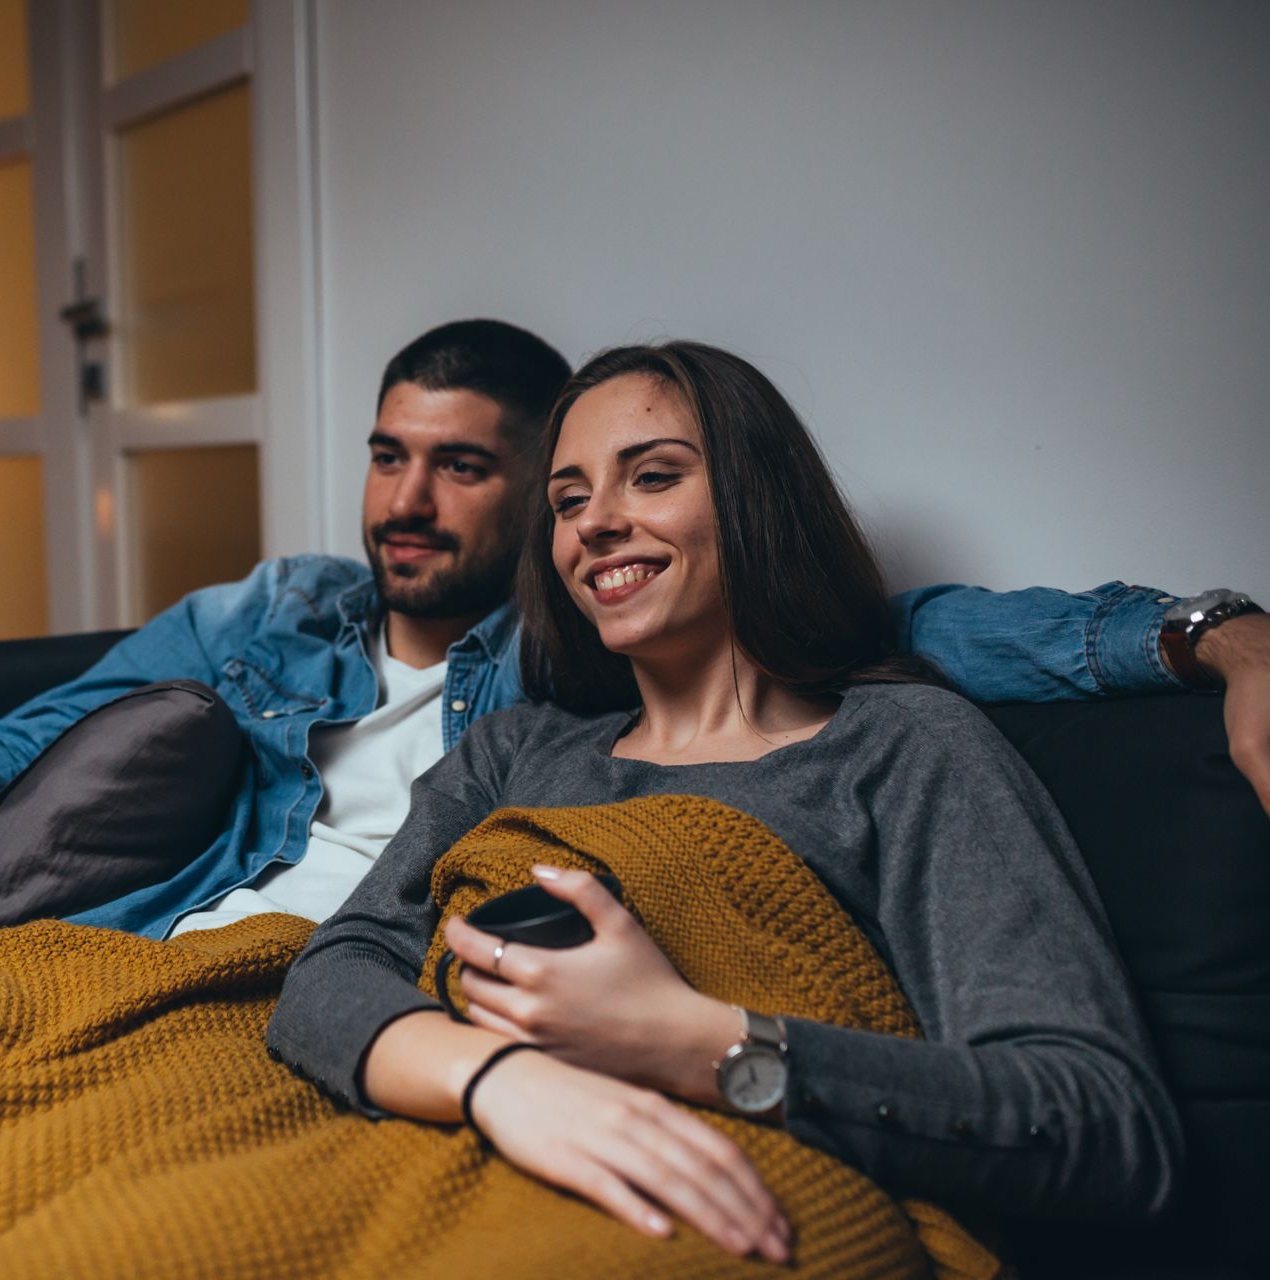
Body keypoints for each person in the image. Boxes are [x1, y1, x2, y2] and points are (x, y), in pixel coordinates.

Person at [0, 320, 1269, 944]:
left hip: (333, 996)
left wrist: (1219, 638)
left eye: (464, 468)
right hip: (150, 949)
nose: (407, 499)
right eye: (390, 452)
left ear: (543, 503)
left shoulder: (568, 669)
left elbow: (923, 627)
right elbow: (12, 756)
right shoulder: (268, 616)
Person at [266, 341, 1180, 1263]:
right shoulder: (514, 751)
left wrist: (705, 1045)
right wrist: (502, 1080)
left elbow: (1102, 1124)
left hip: (711, 1215)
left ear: (755, 498)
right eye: (568, 500)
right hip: (450, 1151)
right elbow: (332, 974)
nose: (595, 524)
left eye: (652, 477)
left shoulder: (903, 747)